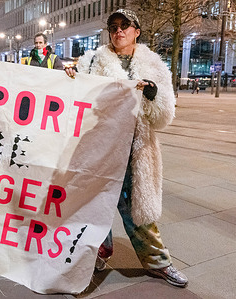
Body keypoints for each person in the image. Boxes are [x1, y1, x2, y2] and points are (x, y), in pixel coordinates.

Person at [65, 9, 188, 288]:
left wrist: (153, 95)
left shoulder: (154, 64)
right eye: (114, 26)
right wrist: (70, 77)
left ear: (137, 31)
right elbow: (74, 100)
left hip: (137, 149)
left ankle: (159, 262)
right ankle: (97, 253)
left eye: (125, 26)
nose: (118, 31)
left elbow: (164, 116)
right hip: (101, 148)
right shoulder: (93, 60)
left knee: (138, 208)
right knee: (97, 205)